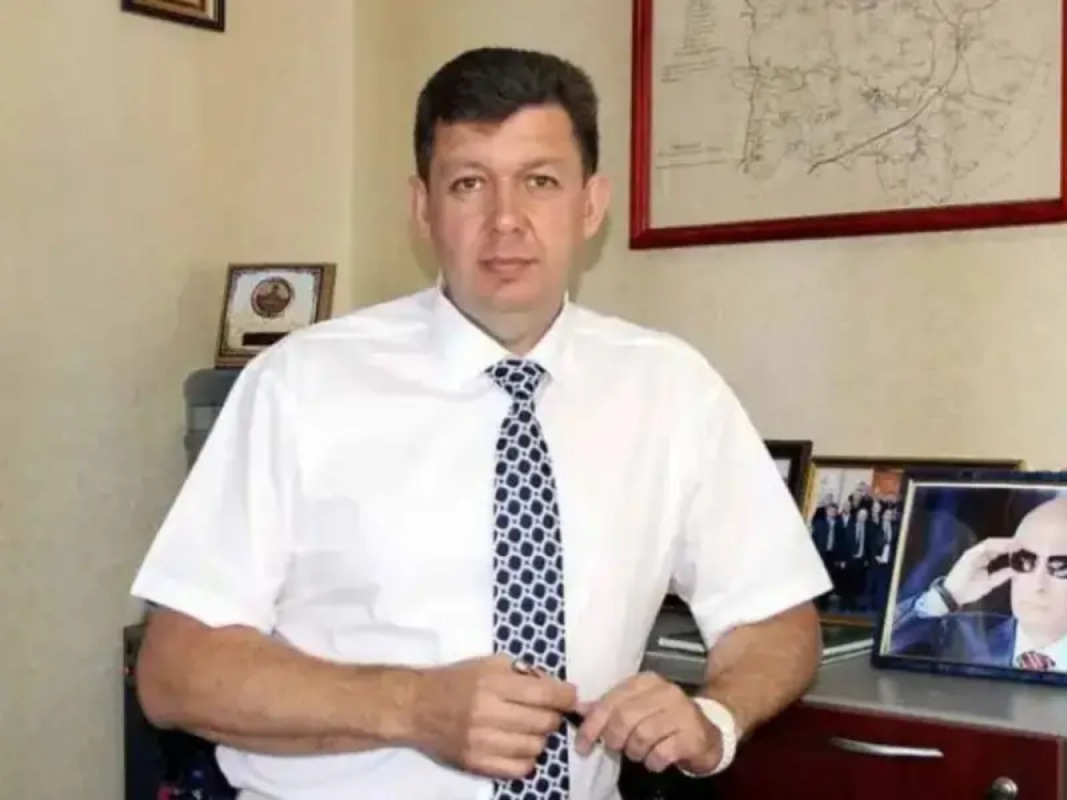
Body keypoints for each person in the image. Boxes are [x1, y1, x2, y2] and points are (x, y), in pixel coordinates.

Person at [129, 46, 831, 800]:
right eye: (469, 184)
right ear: (423, 207)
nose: (506, 222)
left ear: (591, 205)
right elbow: (175, 672)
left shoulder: (672, 388)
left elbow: (776, 618)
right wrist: (412, 707)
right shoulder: (297, 385)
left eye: (540, 181)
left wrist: (715, 718)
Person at [888, 494, 1067, 675]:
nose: (1038, 583)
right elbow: (884, 649)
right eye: (1025, 560)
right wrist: (948, 594)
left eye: (1062, 566)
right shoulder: (958, 636)